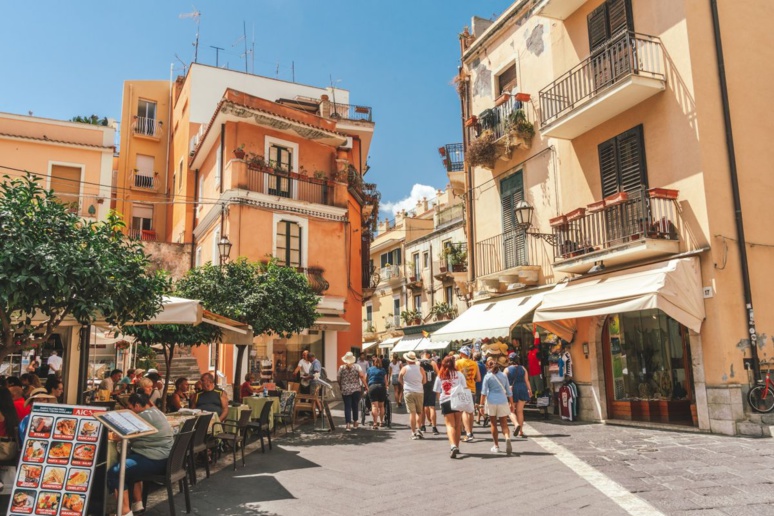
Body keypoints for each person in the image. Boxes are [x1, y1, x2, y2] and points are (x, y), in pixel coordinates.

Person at [107, 392, 173, 516]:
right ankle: (137, 503)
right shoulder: (157, 412)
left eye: (130, 407)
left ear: (137, 405)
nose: (128, 410)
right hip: (165, 458)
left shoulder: (143, 416)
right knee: (130, 460)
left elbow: (120, 435)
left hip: (155, 460)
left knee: (115, 472)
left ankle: (124, 512)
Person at [434, 355, 466, 459]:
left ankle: (452, 446)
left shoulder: (440, 375)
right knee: (457, 425)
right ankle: (457, 446)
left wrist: (440, 401)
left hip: (446, 400)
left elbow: (437, 391)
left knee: (449, 425)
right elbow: (464, 388)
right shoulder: (459, 374)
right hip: (458, 400)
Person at [481, 357, 513, 455]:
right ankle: (507, 437)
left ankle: (496, 445)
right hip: (502, 400)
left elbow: (483, 393)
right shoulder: (503, 375)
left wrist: (481, 405)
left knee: (493, 424)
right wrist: (511, 403)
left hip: (491, 401)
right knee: (504, 423)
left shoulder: (487, 377)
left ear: (488, 367)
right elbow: (508, 390)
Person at [455, 346, 480, 442]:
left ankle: (468, 433)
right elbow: (478, 379)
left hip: (461, 389)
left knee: (463, 411)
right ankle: (471, 431)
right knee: (470, 411)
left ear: (462, 354)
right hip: (472, 389)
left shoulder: (457, 363)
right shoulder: (474, 363)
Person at [399, 351, 426, 439]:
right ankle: (419, 429)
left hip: (408, 391)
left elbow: (399, 378)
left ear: (407, 360)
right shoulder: (420, 368)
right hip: (419, 391)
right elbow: (424, 381)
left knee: (412, 413)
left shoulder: (404, 368)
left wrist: (404, 384)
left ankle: (413, 432)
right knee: (419, 412)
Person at [337, 352, 366, 431]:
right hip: (356, 389)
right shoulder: (357, 367)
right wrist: (366, 386)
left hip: (345, 389)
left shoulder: (341, 368)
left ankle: (348, 424)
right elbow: (362, 376)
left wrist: (341, 386)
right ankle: (355, 422)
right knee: (355, 405)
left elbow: (338, 378)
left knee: (347, 406)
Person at [506, 352, 531, 438]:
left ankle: (516, 425)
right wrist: (530, 390)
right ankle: (521, 431)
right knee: (520, 411)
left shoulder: (507, 369)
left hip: (512, 390)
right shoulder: (523, 368)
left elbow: (503, 381)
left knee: (511, 410)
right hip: (523, 389)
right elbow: (527, 380)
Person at [419, 350, 439, 435]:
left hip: (422, 386)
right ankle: (434, 427)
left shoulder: (418, 363)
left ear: (423, 354)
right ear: (428, 355)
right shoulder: (432, 362)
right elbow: (438, 374)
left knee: (423, 407)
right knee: (432, 407)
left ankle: (423, 426)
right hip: (431, 386)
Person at [366, 355, 387, 429]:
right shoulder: (383, 370)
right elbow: (386, 381)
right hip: (381, 387)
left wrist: (367, 387)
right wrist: (386, 387)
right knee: (381, 406)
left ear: (373, 363)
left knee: (374, 406)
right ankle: (381, 422)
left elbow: (367, 379)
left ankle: (375, 423)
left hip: (372, 387)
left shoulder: (370, 369)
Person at [473, 351, 487, 426]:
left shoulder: (475, 365)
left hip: (476, 385)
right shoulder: (483, 365)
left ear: (474, 357)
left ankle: (485, 417)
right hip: (483, 385)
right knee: (479, 403)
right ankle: (478, 419)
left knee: (476, 404)